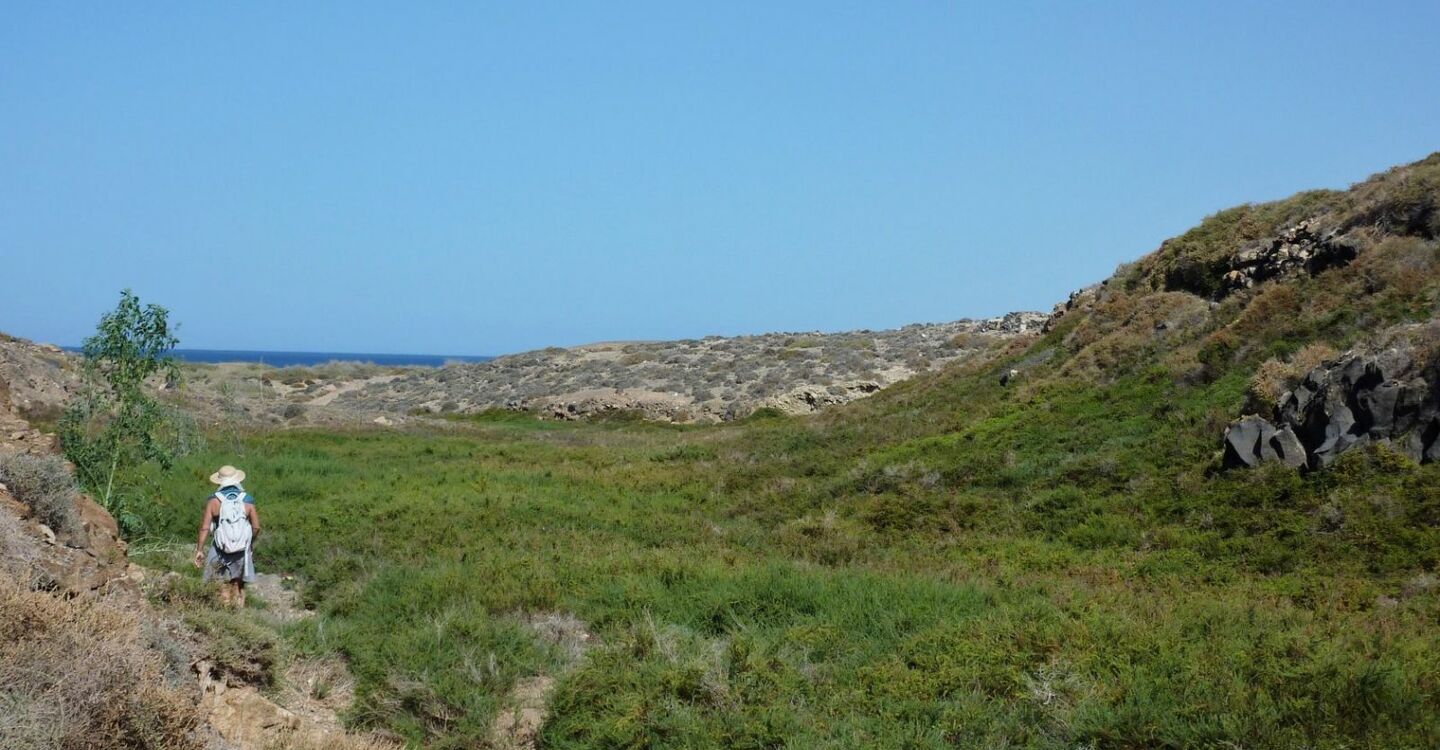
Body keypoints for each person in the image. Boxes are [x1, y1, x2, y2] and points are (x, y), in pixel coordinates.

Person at [192, 464, 260, 608]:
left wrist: (199, 550)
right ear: (237, 480)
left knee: (217, 582)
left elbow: (205, 528)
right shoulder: (247, 500)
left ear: (220, 481)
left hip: (219, 549)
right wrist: (249, 542)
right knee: (239, 584)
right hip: (242, 550)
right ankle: (239, 614)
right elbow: (256, 527)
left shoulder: (213, 501)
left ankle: (221, 611)